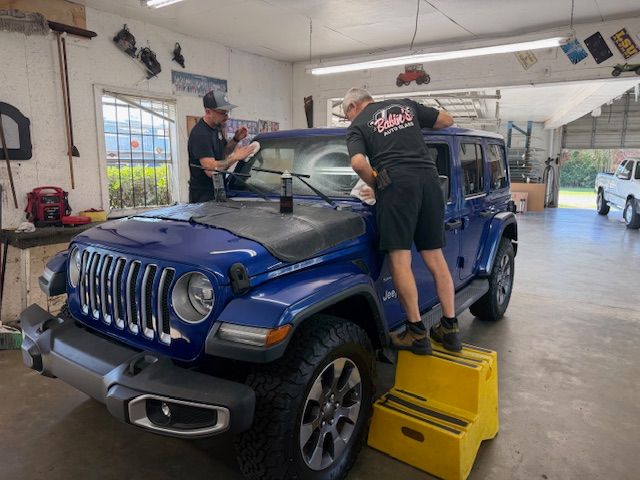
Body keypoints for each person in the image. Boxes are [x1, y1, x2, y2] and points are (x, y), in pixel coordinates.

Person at [343, 87, 460, 355]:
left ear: (352, 108)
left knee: (400, 258)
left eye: (346, 115)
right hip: (430, 180)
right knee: (434, 257)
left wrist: (377, 184)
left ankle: (416, 333)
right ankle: (450, 329)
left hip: (397, 184)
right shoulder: (405, 105)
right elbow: (446, 119)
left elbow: (359, 163)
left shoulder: (358, 125)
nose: (348, 120)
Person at [187, 90, 255, 203]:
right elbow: (211, 170)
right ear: (208, 111)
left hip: (218, 192)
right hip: (203, 198)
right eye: (222, 113)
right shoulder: (201, 134)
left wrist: (236, 139)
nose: (226, 117)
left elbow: (223, 152)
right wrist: (235, 157)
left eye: (227, 112)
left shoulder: (216, 128)